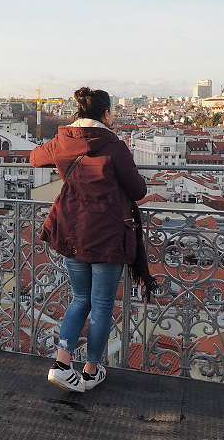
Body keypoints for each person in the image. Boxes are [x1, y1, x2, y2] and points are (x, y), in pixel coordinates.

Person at [30, 87, 147, 392]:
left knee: (80, 298)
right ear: (106, 114)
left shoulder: (62, 141)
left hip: (73, 230)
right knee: (102, 304)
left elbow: (33, 158)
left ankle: (61, 364)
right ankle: (91, 371)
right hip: (108, 234)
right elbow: (137, 191)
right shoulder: (114, 146)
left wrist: (58, 153)